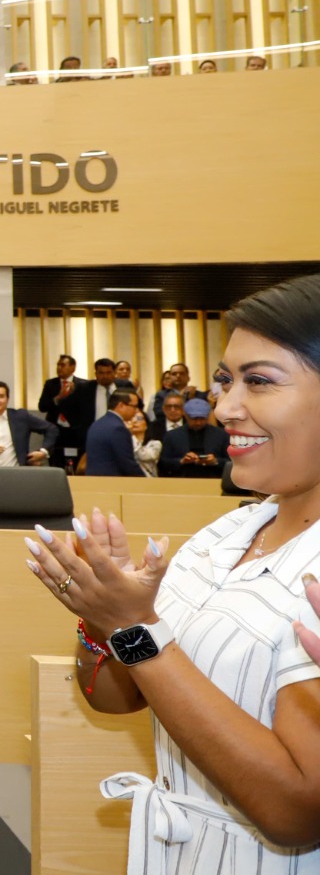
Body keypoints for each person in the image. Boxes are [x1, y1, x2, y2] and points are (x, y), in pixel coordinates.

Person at [24, 273, 320, 874]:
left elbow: (294, 810)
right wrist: (99, 618)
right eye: (224, 380)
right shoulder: (226, 535)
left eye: (259, 381)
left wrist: (134, 628)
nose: (225, 407)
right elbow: (116, 697)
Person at [0, 382, 57, 466]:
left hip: (17, 475)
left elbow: (51, 429)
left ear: (7, 399)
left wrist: (43, 452)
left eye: (1, 396)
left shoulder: (21, 417)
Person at [159, 397, 231, 478]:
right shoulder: (171, 436)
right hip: (181, 481)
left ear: (207, 417)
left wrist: (215, 461)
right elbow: (163, 463)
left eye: (202, 419)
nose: (198, 423)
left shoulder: (221, 435)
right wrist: (182, 461)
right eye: (194, 419)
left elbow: (232, 462)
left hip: (214, 479)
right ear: (185, 416)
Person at [80, 390, 145, 476]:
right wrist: (145, 481)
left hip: (93, 481)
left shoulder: (96, 424)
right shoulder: (118, 429)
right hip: (112, 483)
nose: (136, 411)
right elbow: (127, 463)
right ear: (121, 405)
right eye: (134, 406)